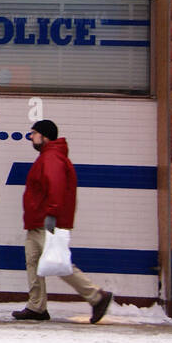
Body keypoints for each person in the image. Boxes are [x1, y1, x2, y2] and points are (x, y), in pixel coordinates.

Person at [12, 120, 113, 323]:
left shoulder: (52, 157)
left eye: (33, 133)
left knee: (58, 262)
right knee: (33, 262)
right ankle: (36, 306)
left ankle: (97, 296)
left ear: (44, 136)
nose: (31, 137)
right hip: (37, 221)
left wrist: (51, 214)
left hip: (45, 221)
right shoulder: (49, 157)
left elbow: (55, 187)